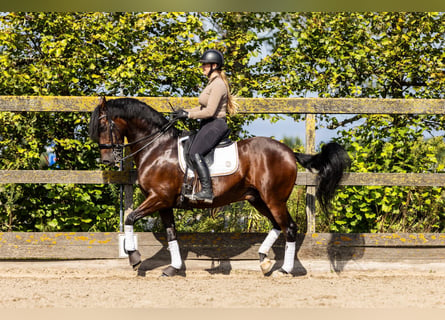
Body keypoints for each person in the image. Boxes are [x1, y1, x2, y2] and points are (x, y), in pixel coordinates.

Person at [172, 49, 237, 203]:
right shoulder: (212, 83)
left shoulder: (218, 85)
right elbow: (202, 109)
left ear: (214, 65)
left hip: (215, 124)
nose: (202, 68)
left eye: (205, 65)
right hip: (208, 123)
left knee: (195, 152)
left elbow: (209, 111)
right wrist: (184, 112)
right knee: (188, 145)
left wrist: (188, 115)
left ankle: (207, 191)